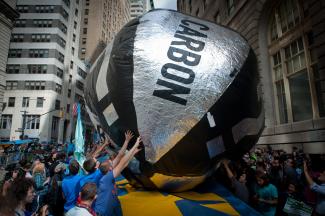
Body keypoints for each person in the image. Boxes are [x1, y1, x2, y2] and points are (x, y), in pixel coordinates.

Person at [95, 135, 142, 216]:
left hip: (113, 204)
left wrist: (133, 153)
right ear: (110, 168)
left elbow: (123, 165)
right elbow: (122, 162)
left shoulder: (105, 174)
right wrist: (135, 145)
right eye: (111, 163)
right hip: (104, 212)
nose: (112, 162)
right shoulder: (106, 179)